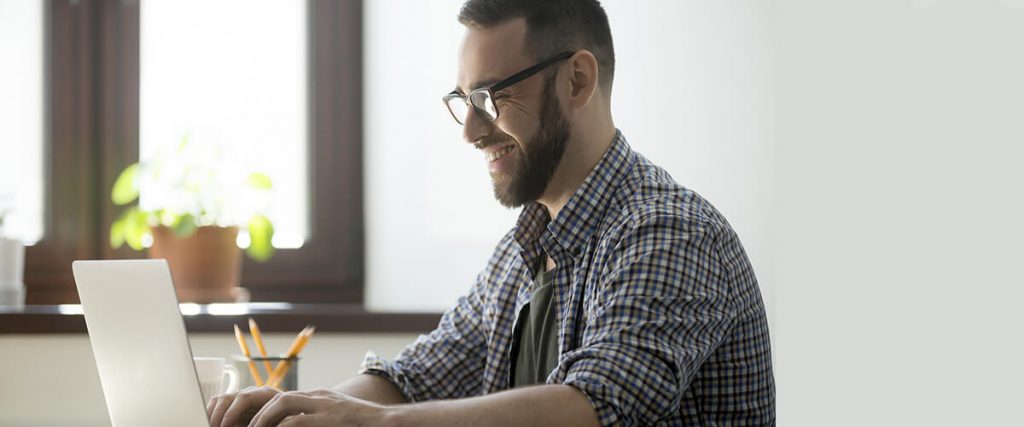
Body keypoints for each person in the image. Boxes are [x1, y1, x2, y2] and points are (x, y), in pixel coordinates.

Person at [207, 0, 775, 425]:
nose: (473, 132)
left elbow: (593, 406)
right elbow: (416, 378)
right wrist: (299, 410)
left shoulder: (670, 232)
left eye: (491, 97)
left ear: (577, 80)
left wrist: (374, 425)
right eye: (464, 102)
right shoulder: (524, 248)